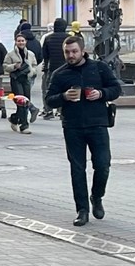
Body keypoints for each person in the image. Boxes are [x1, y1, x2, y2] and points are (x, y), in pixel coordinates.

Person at [45, 35, 121, 227]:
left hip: (97, 124)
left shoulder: (98, 68)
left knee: (103, 164)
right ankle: (82, 210)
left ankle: (96, 196)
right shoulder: (60, 74)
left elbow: (115, 88)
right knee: (77, 169)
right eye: (67, 52)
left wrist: (101, 93)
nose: (70, 55)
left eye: (74, 52)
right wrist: (63, 96)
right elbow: (49, 99)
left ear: (82, 50)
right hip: (72, 126)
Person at [3, 34, 39, 134]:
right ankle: (24, 125)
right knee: (21, 101)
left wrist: (32, 71)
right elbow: (5, 66)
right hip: (16, 79)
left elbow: (34, 65)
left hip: (26, 79)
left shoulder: (30, 54)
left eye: (22, 41)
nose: (21, 43)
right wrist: (14, 66)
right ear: (15, 42)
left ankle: (14, 119)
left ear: (26, 42)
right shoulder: (10, 54)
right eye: (19, 41)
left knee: (26, 101)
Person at [41, 18, 69, 120]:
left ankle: (48, 111)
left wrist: (45, 66)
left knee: (47, 89)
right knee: (65, 90)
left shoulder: (48, 38)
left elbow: (44, 55)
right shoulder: (69, 38)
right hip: (66, 68)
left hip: (51, 68)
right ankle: (62, 111)